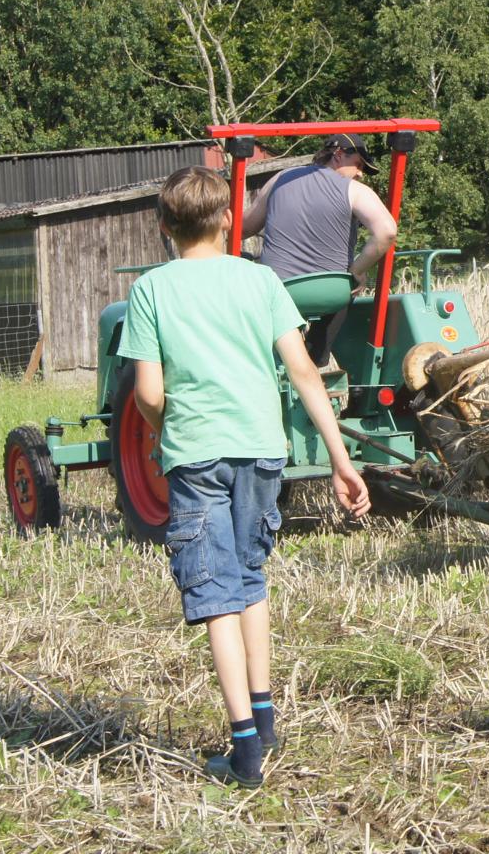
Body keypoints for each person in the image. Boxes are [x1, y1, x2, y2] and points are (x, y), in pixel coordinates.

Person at [119, 166, 372, 787]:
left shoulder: (151, 290)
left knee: (215, 595)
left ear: (163, 226)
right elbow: (305, 372)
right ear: (230, 221)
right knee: (250, 578)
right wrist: (340, 459)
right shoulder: (261, 280)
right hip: (262, 452)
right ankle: (264, 718)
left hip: (196, 455)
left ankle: (244, 751)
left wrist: (166, 426)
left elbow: (147, 393)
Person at [242, 133, 399, 365]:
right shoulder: (354, 191)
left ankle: (278, 360)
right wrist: (358, 270)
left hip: (279, 291)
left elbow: (244, 227)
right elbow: (387, 231)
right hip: (330, 292)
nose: (360, 174)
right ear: (338, 155)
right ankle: (315, 358)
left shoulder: (280, 179)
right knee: (350, 288)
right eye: (358, 165)